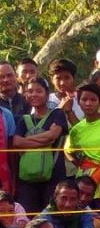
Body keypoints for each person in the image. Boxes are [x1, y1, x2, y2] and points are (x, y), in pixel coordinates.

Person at [12, 77, 69, 213]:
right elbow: (16, 142)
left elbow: (53, 136)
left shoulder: (57, 114)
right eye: (30, 91)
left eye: (39, 91)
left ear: (47, 93)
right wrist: (45, 139)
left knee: (52, 215)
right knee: (28, 216)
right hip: (28, 178)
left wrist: (27, 141)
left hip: (53, 176)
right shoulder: (23, 119)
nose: (34, 95)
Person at [47, 59, 83, 126]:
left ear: (73, 78)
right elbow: (41, 128)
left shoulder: (83, 99)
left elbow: (86, 130)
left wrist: (69, 112)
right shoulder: (45, 99)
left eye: (67, 78)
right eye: (58, 78)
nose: (62, 83)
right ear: (52, 80)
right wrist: (60, 108)